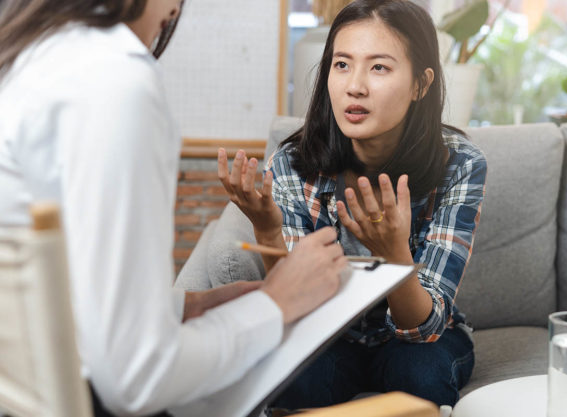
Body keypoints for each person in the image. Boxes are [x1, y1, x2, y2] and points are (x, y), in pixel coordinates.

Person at [0, 1, 348, 416]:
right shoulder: (113, 80)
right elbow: (136, 377)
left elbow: (66, 293)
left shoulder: (35, 54)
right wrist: (275, 302)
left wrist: (185, 307)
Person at [218, 0, 487, 408]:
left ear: (421, 84)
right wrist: (268, 229)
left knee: (419, 370)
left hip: (418, 334)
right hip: (331, 332)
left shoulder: (461, 165)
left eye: (379, 67)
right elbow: (297, 311)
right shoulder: (291, 164)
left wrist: (394, 253)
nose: (354, 86)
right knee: (293, 376)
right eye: (342, 64)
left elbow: (424, 329)